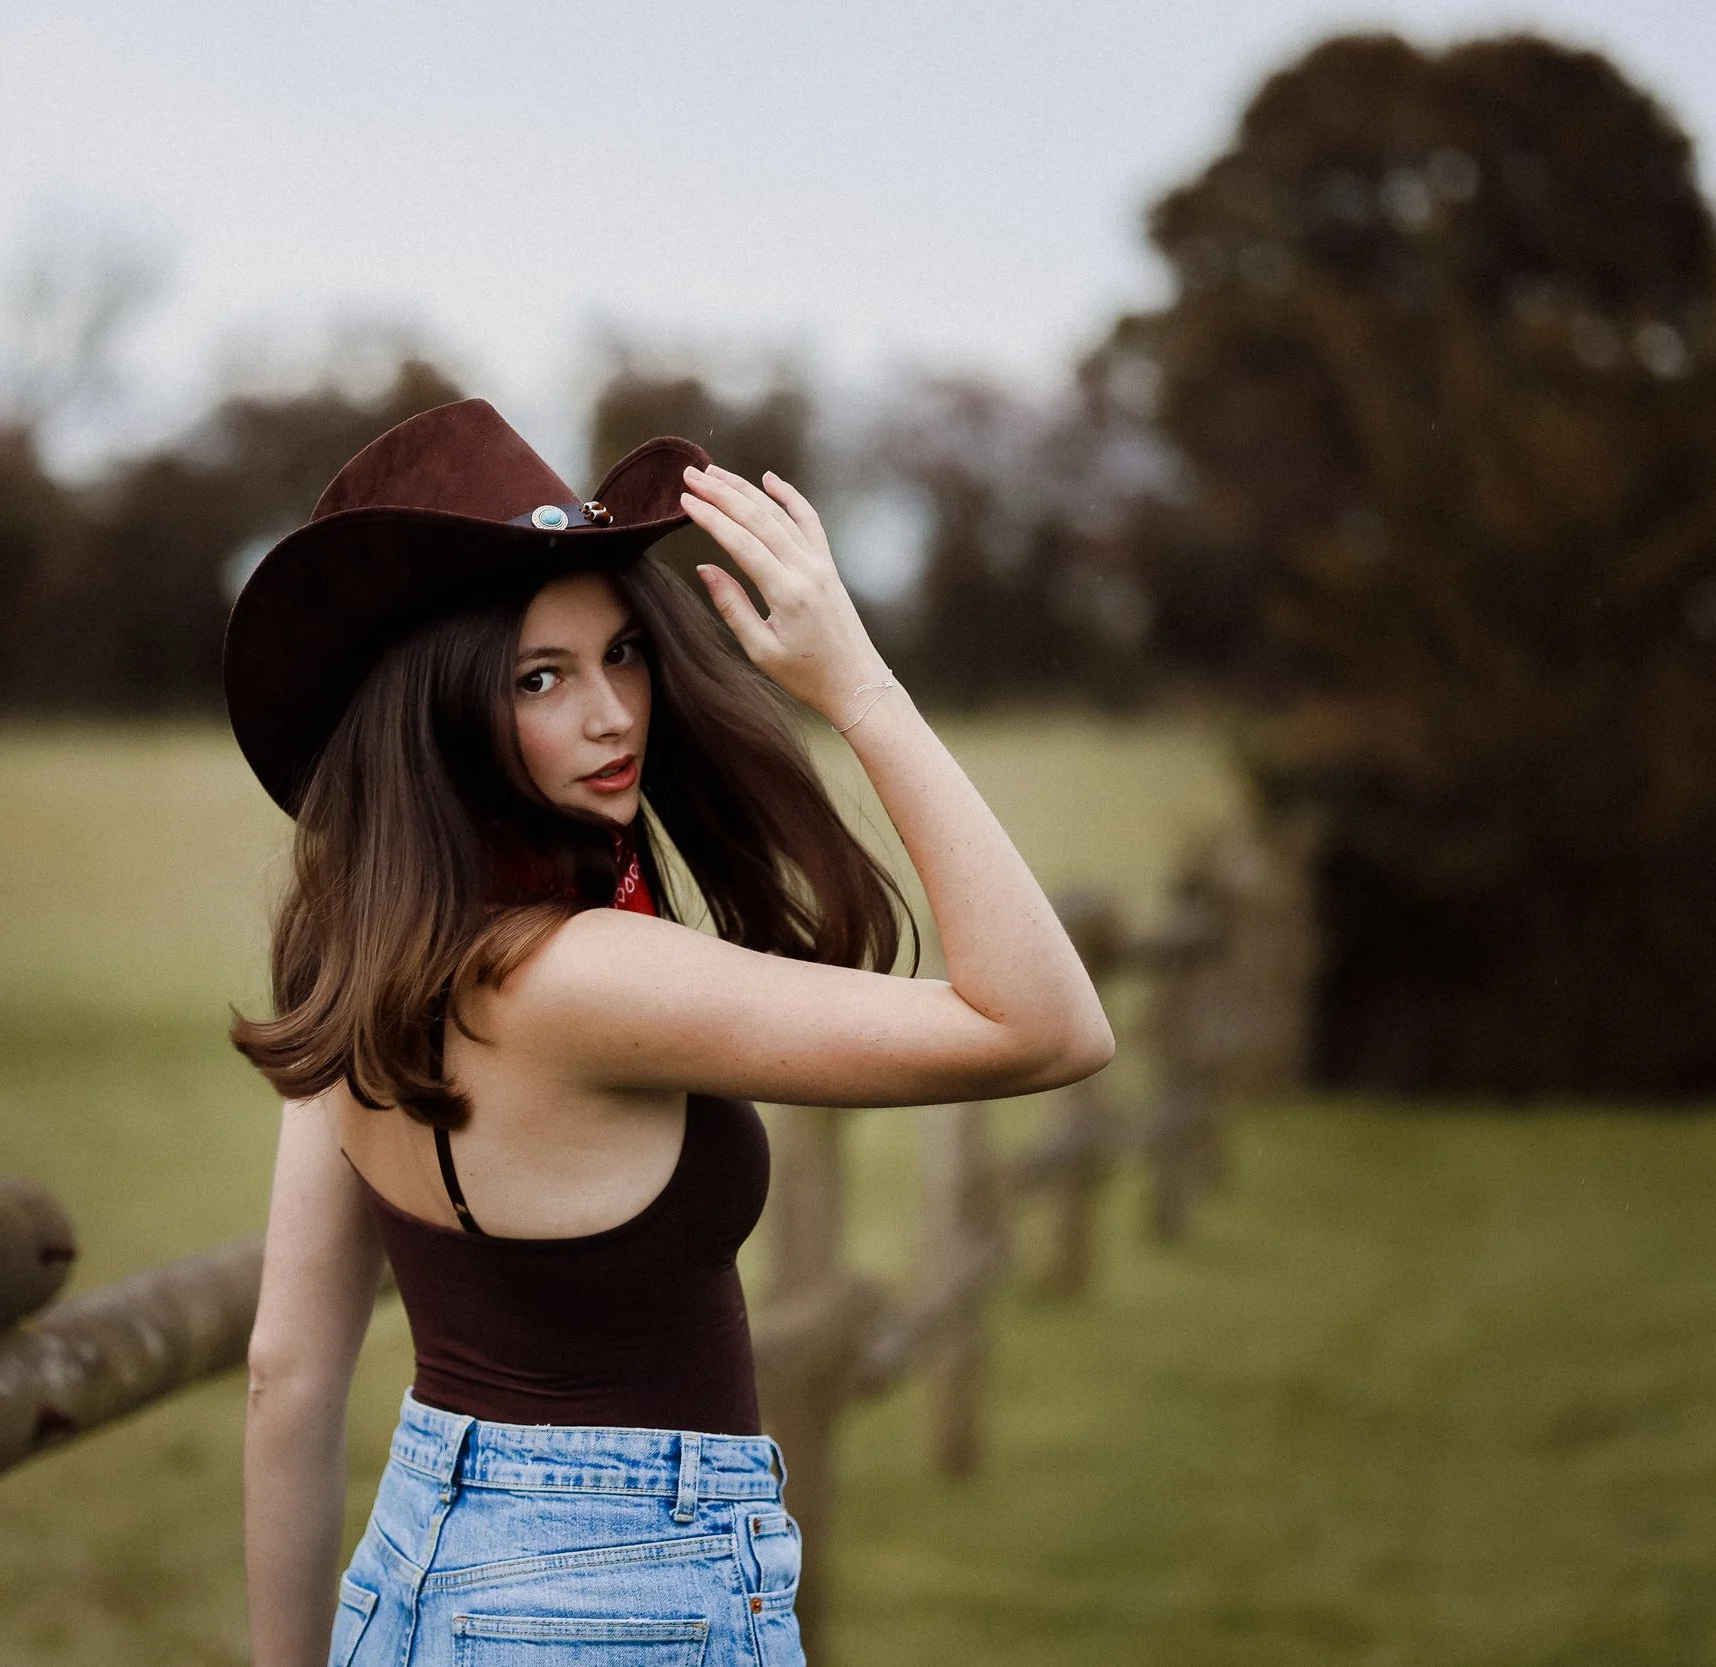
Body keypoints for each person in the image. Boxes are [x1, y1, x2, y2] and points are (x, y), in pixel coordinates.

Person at [228, 399, 1113, 1667]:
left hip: (414, 1576)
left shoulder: (352, 960)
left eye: (624, 653)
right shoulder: (586, 979)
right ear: (440, 712)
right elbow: (1046, 1024)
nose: (611, 714)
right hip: (616, 1598)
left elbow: (286, 1369)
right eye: (542, 676)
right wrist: (856, 684)